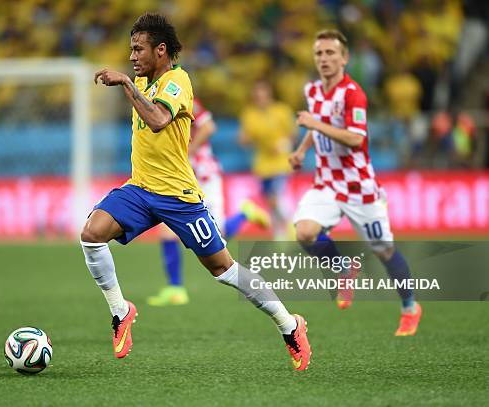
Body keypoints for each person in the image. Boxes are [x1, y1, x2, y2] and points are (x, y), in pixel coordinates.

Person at [83, 12, 311, 370]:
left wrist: (126, 84)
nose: (132, 57)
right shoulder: (143, 82)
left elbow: (159, 121)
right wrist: (132, 84)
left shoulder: (178, 81)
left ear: (160, 50)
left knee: (223, 269)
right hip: (140, 188)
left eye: (138, 49)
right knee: (91, 234)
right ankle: (120, 310)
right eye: (130, 50)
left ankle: (289, 324)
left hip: (179, 196)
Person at [289, 29, 422, 336]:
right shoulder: (312, 90)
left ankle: (410, 307)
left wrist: (314, 123)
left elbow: (355, 138)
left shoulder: (353, 94)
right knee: (305, 232)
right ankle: (343, 270)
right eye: (319, 53)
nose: (324, 59)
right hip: (325, 183)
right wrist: (300, 150)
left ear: (344, 58)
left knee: (384, 251)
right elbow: (316, 127)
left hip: (359, 187)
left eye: (330, 53)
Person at [147, 97, 270, 306]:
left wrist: (188, 153)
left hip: (204, 176)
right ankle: (175, 289)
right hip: (180, 178)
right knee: (167, 230)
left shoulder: (182, 98)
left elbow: (209, 126)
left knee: (217, 235)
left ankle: (245, 214)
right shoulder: (154, 102)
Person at [239, 79, 296, 239]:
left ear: (269, 94)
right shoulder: (249, 114)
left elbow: (293, 135)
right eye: (256, 94)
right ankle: (280, 236)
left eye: (262, 93)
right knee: (270, 202)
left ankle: (294, 226)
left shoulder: (282, 111)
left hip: (281, 162)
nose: (259, 97)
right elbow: (245, 137)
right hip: (262, 164)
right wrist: (244, 139)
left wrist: (283, 145)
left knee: (275, 197)